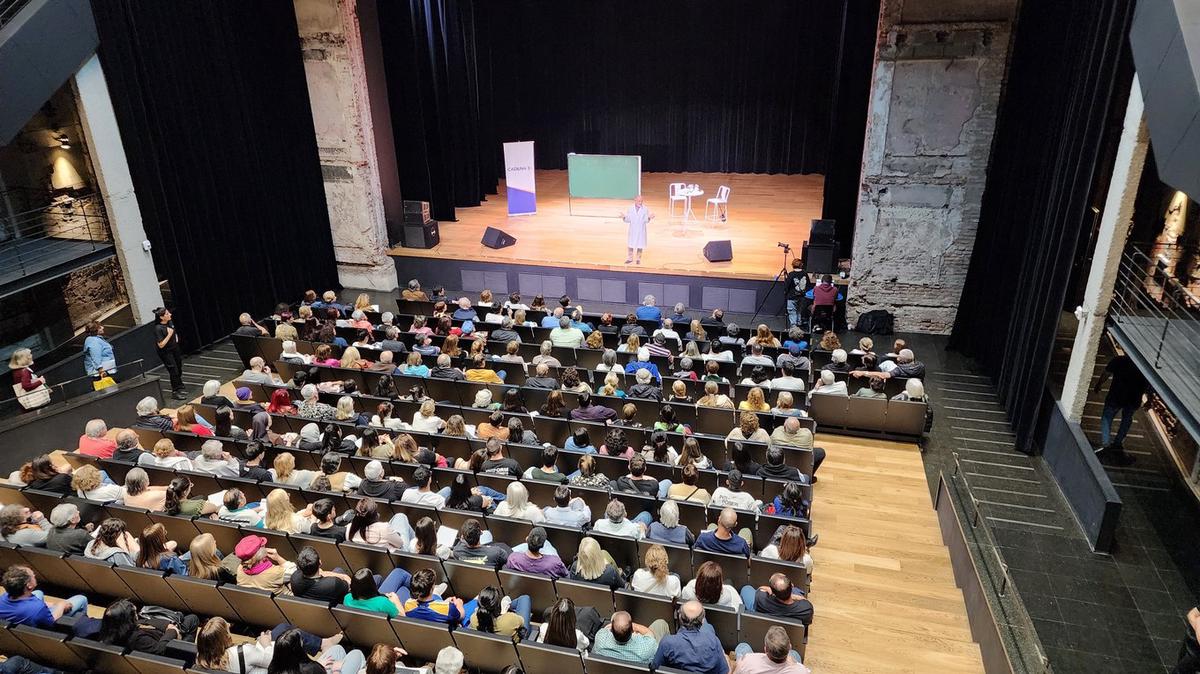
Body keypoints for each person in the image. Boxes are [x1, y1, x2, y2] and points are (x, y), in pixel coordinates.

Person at [1093, 353, 1147, 465]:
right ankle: (1117, 444)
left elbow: (1106, 373)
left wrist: (1099, 384)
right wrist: (1149, 400)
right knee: (1127, 420)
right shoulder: (1144, 366)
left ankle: (1106, 444)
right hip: (1133, 398)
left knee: (1107, 418)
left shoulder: (1119, 360)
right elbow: (1148, 384)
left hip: (1116, 395)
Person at [652, 601, 728, 674]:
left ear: (680, 617)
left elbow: (656, 667)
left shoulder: (667, 643)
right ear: (702, 620)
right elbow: (723, 671)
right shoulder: (714, 641)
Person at [0, 565, 88, 627]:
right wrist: (61, 605)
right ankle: (81, 626)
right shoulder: (37, 608)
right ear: (29, 585)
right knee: (81, 599)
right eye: (33, 576)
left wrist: (53, 605)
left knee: (38, 592)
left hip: (25, 615)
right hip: (41, 626)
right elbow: (52, 620)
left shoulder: (4, 596)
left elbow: (34, 604)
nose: (35, 576)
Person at [593, 610, 667, 665]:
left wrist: (618, 626)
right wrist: (635, 626)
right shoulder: (646, 648)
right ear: (632, 630)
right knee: (660, 623)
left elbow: (606, 628)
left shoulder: (600, 638)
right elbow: (650, 634)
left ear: (612, 630)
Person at [733, 625, 810, 674]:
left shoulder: (748, 660)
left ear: (765, 649)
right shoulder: (801, 671)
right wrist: (794, 663)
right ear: (789, 647)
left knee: (743, 647)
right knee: (795, 654)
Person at [741, 573, 813, 624]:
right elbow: (807, 622)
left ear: (772, 592)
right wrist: (795, 596)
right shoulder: (806, 609)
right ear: (792, 586)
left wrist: (765, 588)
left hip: (763, 620)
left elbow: (759, 590)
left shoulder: (761, 597)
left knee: (746, 588)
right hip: (792, 632)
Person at [504, 527, 568, 578]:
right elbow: (566, 577)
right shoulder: (555, 562)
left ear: (527, 539)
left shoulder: (513, 558)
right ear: (543, 545)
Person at [153, 307, 187, 400]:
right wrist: (169, 334)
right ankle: (175, 392)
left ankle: (179, 384)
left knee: (179, 367)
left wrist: (175, 338)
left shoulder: (170, 323)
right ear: (161, 317)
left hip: (174, 349)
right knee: (173, 370)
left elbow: (173, 331)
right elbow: (161, 345)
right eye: (167, 314)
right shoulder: (158, 329)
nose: (170, 315)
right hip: (166, 352)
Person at [344, 567, 408, 616]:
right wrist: (396, 600)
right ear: (371, 584)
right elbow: (402, 619)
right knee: (404, 589)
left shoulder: (347, 598)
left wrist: (382, 596)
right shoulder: (383, 603)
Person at [621, 194, 655, 264]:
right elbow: (628, 219)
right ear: (635, 201)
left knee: (640, 245)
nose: (640, 203)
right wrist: (624, 217)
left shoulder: (645, 209)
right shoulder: (630, 208)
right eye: (639, 201)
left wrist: (649, 218)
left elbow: (646, 220)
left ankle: (638, 259)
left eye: (641, 201)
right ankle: (630, 258)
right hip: (633, 229)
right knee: (631, 245)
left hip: (641, 230)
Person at [784, 259, 807, 328]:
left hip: (792, 297)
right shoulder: (805, 273)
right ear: (801, 265)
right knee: (799, 310)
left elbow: (787, 285)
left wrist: (785, 292)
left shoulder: (791, 274)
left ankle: (794, 326)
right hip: (802, 296)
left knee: (792, 311)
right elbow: (808, 284)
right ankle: (799, 323)